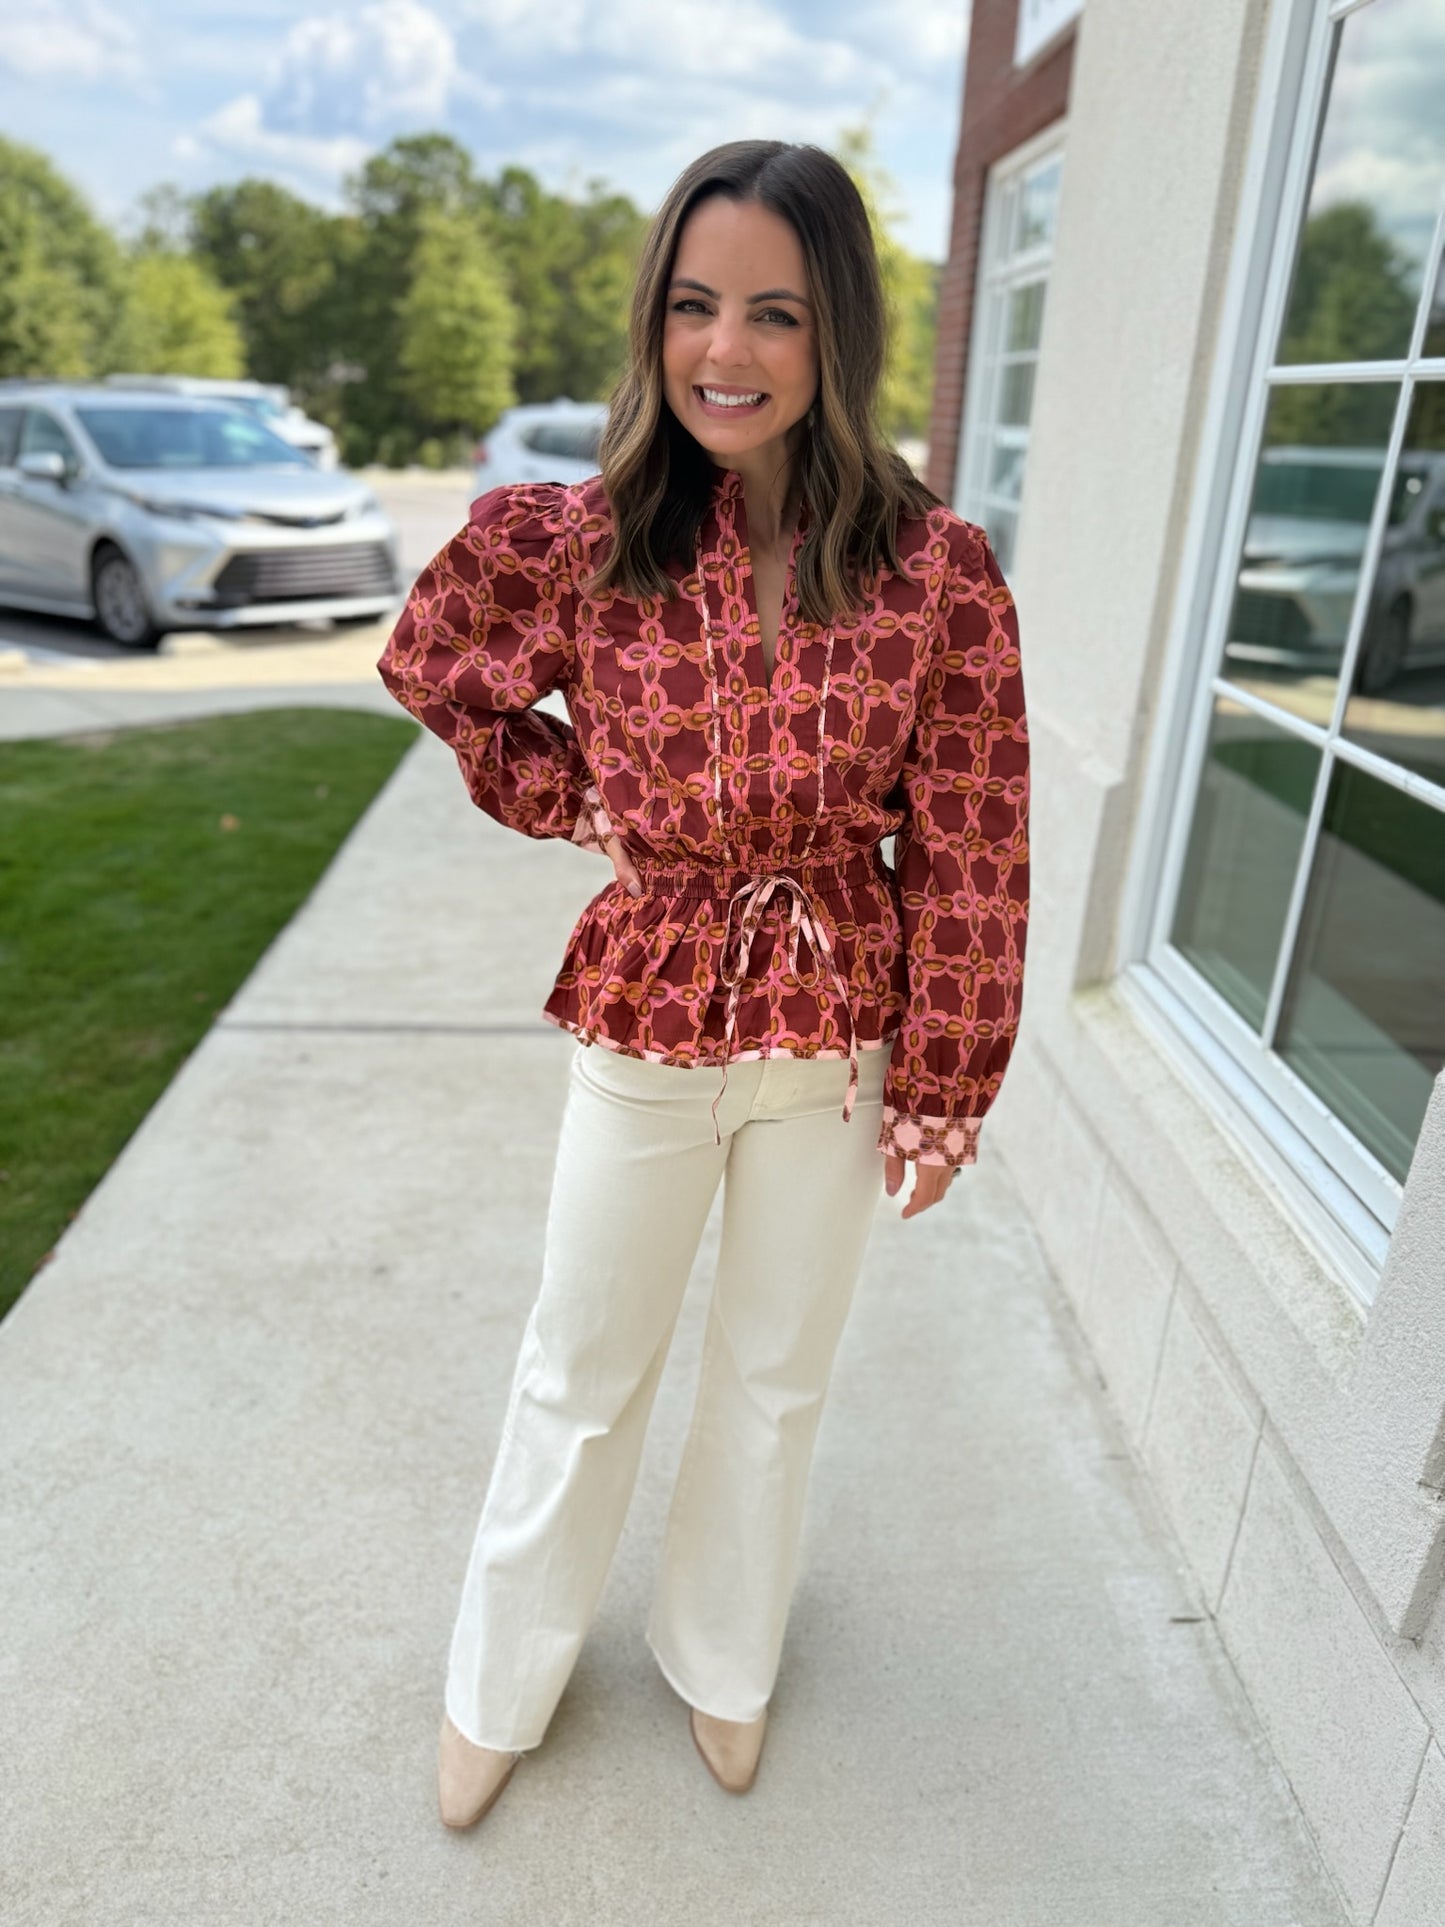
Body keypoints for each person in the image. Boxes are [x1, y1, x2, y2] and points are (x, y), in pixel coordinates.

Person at [375, 137, 1029, 1828]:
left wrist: (950, 1079)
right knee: (580, 1362)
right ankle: (498, 1675)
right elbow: (433, 665)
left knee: (773, 1369)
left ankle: (721, 1659)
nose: (723, 352)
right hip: (651, 1000)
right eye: (692, 306)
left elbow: (970, 831)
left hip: (837, 1027)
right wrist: (562, 792)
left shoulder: (932, 571)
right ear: (654, 319)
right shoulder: (582, 539)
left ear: (837, 337)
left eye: (772, 314)